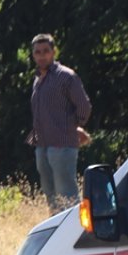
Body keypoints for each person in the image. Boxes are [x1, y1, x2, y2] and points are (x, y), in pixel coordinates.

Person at [27, 34, 92, 213]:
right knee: (50, 194)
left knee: (67, 195)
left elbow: (84, 107)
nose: (42, 56)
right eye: (37, 52)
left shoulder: (66, 76)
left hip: (63, 145)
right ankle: (57, 236)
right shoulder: (37, 79)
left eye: (46, 51)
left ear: (53, 52)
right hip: (42, 145)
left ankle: (75, 234)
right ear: (33, 55)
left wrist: (73, 127)